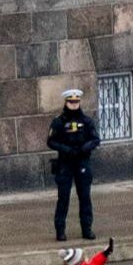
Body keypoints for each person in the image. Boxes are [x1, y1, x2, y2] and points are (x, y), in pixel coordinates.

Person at [43, 86, 102, 239]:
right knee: (63, 198)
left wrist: (84, 148)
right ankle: (60, 230)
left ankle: (87, 229)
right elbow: (51, 141)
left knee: (85, 197)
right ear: (66, 102)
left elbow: (95, 139)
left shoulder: (86, 121)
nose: (74, 105)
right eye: (71, 102)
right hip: (65, 163)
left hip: (82, 162)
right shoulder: (59, 122)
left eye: (76, 102)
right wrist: (66, 149)